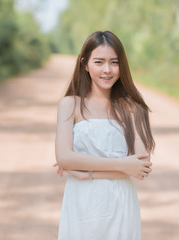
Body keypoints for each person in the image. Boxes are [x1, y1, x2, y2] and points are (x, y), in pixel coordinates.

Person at [54, 31, 155, 240]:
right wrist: (122, 164)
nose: (107, 70)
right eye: (99, 62)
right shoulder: (70, 104)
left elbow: (141, 167)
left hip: (120, 203)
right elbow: (64, 158)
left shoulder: (131, 108)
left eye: (114, 62)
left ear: (122, 65)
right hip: (81, 202)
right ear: (84, 64)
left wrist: (88, 173)